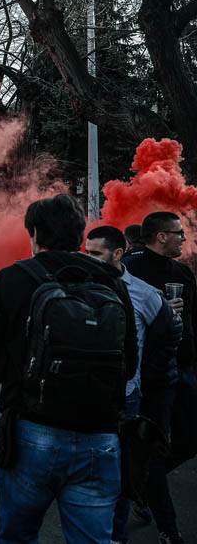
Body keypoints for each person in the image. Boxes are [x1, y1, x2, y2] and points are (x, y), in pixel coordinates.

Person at [0, 194, 138, 544]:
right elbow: (129, 362)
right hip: (101, 434)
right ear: (80, 236)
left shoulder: (12, 278)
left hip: (33, 430)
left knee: (18, 537)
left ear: (33, 234)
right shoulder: (113, 283)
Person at [84, 225, 181, 544]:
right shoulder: (75, 286)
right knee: (86, 475)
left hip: (127, 400)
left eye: (96, 254)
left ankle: (116, 536)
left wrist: (146, 378)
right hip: (84, 400)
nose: (90, 260)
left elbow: (168, 339)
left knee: (121, 475)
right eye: (87, 253)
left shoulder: (144, 294)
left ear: (118, 253)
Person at [122, 212, 196, 544]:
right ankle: (168, 528)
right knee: (151, 446)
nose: (184, 237)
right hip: (149, 374)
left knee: (190, 435)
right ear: (161, 236)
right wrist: (161, 310)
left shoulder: (182, 273)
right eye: (178, 233)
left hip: (182, 367)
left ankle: (140, 485)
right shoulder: (133, 270)